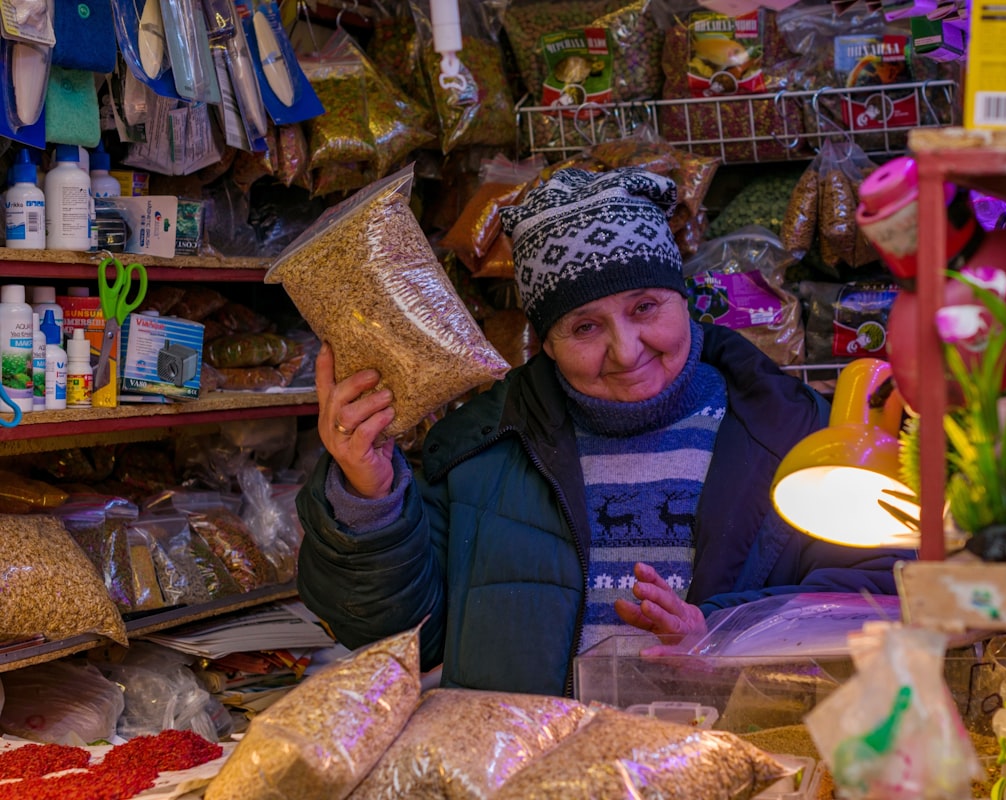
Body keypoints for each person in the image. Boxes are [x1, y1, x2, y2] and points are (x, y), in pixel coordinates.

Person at [296, 167, 909, 697]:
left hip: (738, 768)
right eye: (584, 327)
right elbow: (395, 637)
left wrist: (715, 631)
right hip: (535, 775)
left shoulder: (798, 435)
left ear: (683, 298)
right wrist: (370, 498)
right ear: (547, 341)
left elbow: (880, 594)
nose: (625, 349)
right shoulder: (479, 450)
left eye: (645, 308)